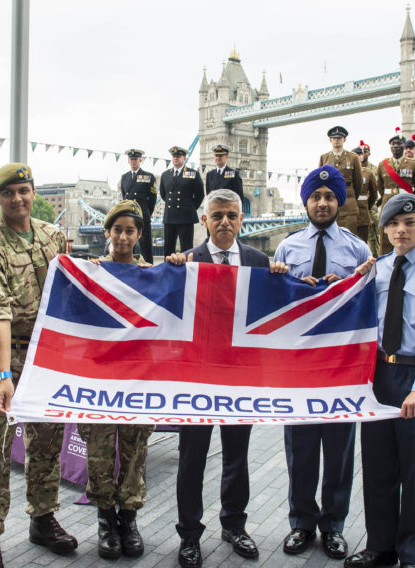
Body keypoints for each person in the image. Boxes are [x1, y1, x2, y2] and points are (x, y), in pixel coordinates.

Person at [165, 189, 288, 568]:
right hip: (197, 379)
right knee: (192, 459)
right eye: (216, 215)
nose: (224, 222)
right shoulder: (185, 262)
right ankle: (189, 533)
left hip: (240, 376)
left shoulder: (259, 262)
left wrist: (282, 281)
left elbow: (276, 314)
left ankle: (234, 525)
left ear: (241, 219)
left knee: (237, 455)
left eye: (232, 215)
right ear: (204, 220)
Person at [343, 194, 415, 568]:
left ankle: (410, 554)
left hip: (414, 374)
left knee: (414, 469)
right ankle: (380, 547)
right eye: (393, 224)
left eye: (410, 223)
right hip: (378, 375)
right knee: (377, 466)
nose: (401, 230)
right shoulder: (376, 270)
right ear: (385, 229)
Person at [0, 162, 73, 568]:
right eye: (10, 193)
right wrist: (4, 375)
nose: (19, 199)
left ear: (33, 193)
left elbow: (72, 289)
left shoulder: (53, 236)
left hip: (46, 355)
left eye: (24, 191)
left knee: (47, 441)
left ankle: (43, 519)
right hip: (7, 357)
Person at [274, 165, 372, 560]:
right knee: (299, 450)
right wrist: (278, 279)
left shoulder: (357, 249)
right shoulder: (288, 248)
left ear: (338, 203)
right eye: (316, 197)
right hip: (299, 366)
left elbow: (370, 305)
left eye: (329, 197)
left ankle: (333, 526)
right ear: (306, 202)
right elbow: (275, 307)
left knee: (339, 451)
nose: (322, 203)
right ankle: (301, 523)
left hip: (341, 367)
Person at [79, 200, 156, 559]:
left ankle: (129, 517)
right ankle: (105, 519)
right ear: (106, 232)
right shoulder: (91, 273)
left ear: (139, 235)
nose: (123, 236)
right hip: (99, 381)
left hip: (137, 381)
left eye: (131, 230)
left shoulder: (153, 277)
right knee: (98, 451)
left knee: (134, 451)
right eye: (117, 229)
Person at [375, 132, 415, 254]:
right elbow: (380, 186)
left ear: (404, 146)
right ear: (390, 147)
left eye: (399, 144)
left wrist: (412, 202)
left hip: (407, 205)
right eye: (394, 144)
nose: (396, 146)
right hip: (388, 203)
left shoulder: (413, 164)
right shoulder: (383, 165)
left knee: (406, 236)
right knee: (386, 237)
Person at [319, 126, 364, 235]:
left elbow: (358, 183)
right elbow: (320, 181)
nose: (337, 141)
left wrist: (351, 196)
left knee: (349, 237)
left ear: (344, 140)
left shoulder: (352, 157)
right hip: (329, 204)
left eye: (339, 138)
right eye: (334, 138)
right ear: (330, 140)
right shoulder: (324, 158)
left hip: (348, 205)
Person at [160, 146, 204, 256]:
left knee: (187, 248)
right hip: (169, 217)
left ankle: (186, 271)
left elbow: (200, 194)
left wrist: (190, 207)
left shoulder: (193, 174)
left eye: (178, 156)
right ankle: (168, 271)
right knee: (168, 249)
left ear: (184, 158)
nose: (176, 158)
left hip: (186, 217)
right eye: (174, 156)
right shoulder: (165, 175)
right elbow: (163, 194)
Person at [116, 149, 158, 262]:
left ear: (141, 160)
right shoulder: (124, 177)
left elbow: (153, 198)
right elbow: (125, 197)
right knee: (129, 246)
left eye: (136, 159)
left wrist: (146, 213)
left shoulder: (148, 176)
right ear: (128, 161)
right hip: (129, 217)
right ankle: (129, 268)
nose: (134, 161)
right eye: (131, 159)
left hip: (143, 217)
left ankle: (149, 269)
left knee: (146, 247)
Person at [352, 146, 379, 247]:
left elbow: (374, 193)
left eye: (359, 155)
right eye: (355, 155)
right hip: (349, 214)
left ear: (363, 157)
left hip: (363, 212)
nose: (357, 157)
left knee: (363, 243)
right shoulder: (346, 173)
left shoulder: (368, 173)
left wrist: (367, 206)